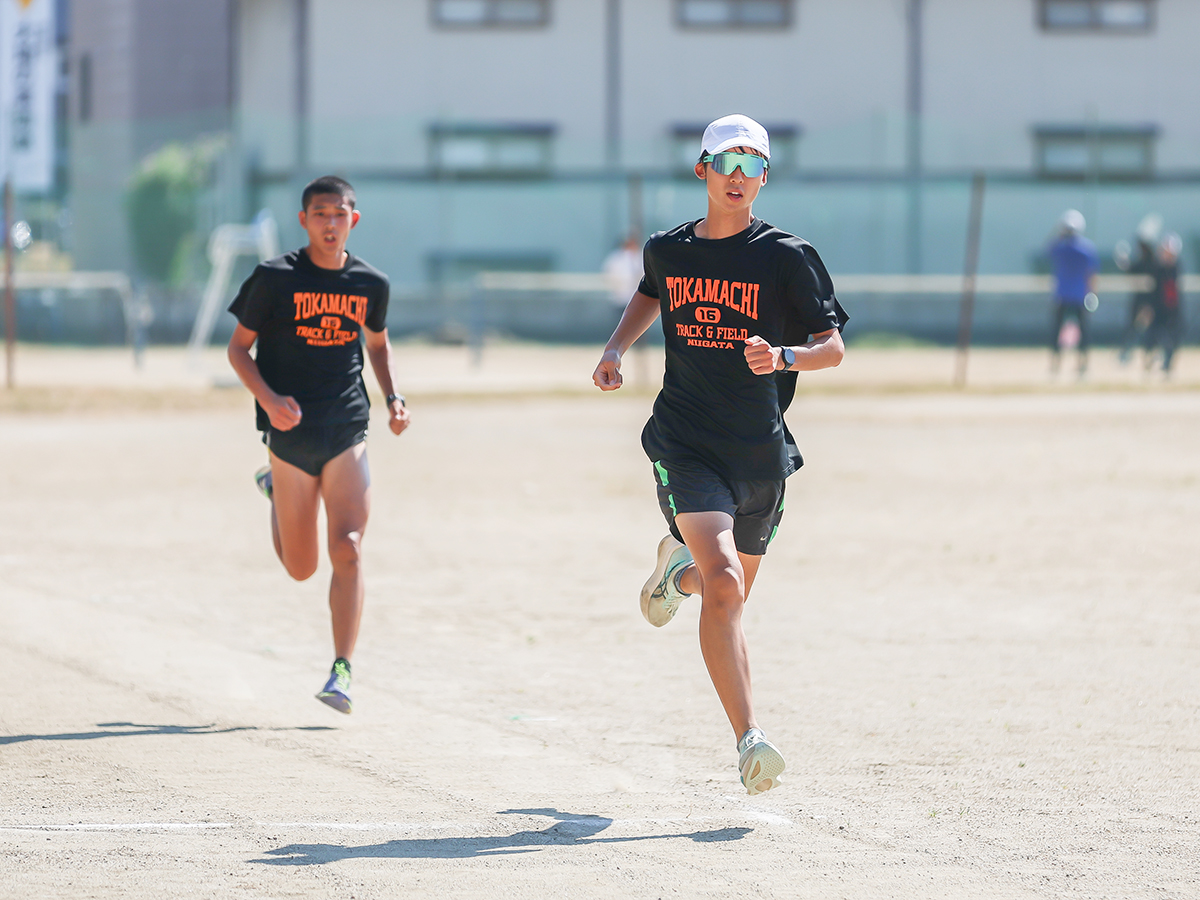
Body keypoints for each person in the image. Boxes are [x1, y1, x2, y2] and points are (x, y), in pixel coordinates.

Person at [591, 114, 847, 795]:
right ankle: (750, 740)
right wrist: (616, 348)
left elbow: (833, 345)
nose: (739, 177)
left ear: (765, 176)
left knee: (719, 594)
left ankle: (674, 575)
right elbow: (652, 290)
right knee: (727, 582)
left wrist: (784, 354)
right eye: (726, 162)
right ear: (701, 170)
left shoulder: (787, 256)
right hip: (686, 440)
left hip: (760, 450)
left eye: (753, 164)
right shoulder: (670, 249)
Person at [226, 175, 410, 714]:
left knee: (348, 547)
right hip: (288, 435)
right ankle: (275, 491)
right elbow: (239, 350)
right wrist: (268, 397)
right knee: (301, 566)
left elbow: (377, 344)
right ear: (304, 220)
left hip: (346, 426)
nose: (330, 223)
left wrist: (394, 397)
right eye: (320, 214)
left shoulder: (370, 284)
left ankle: (341, 670)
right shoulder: (273, 278)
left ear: (354, 220)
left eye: (340, 213)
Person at [1047, 209, 1099, 376]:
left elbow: (1048, 250)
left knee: (1057, 331)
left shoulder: (1060, 248)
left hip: (1062, 295)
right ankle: (1082, 364)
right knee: (1084, 331)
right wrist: (1093, 293)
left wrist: (1058, 233)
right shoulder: (1087, 249)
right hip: (1081, 295)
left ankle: (1055, 364)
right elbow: (1092, 275)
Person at [1116, 214, 1163, 364]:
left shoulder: (1154, 262)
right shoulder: (1143, 260)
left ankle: (1150, 354)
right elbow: (1131, 269)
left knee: (1151, 329)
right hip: (1140, 298)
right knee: (1133, 327)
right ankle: (1127, 352)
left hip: (1151, 300)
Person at [1143, 232, 1185, 375]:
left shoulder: (1175, 268)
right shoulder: (1157, 268)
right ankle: (1149, 361)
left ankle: (1167, 364)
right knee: (1154, 335)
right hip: (1158, 308)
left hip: (1172, 308)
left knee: (1172, 338)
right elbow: (1153, 291)